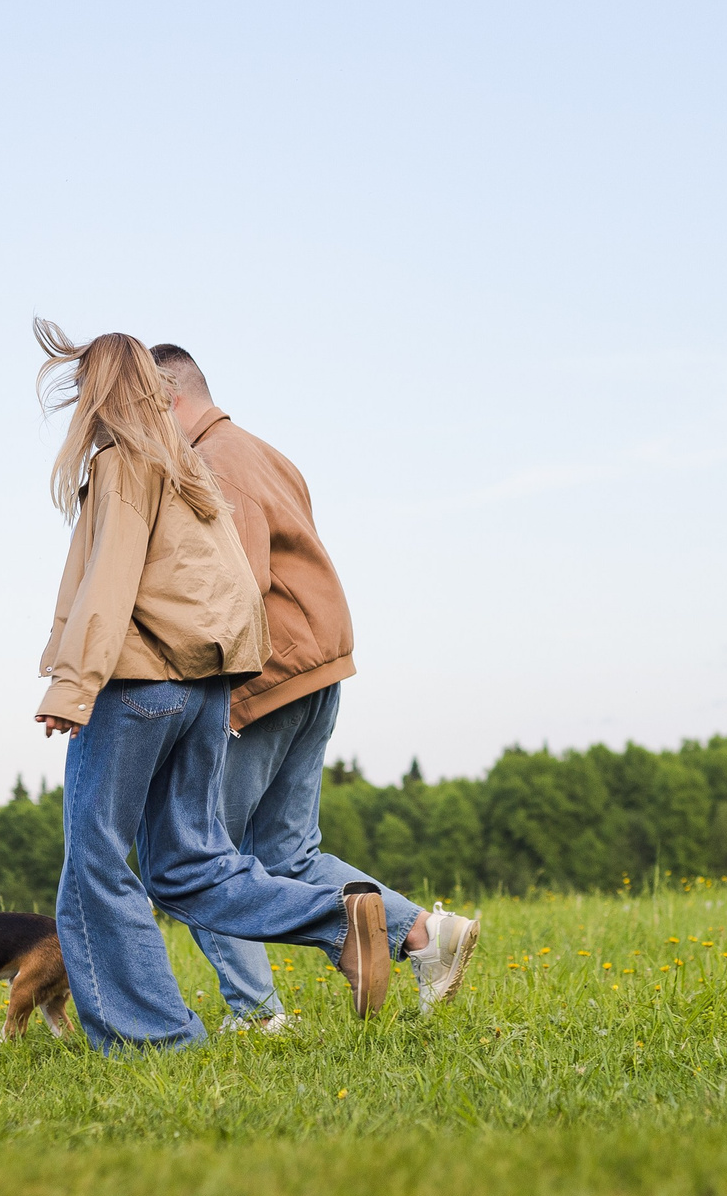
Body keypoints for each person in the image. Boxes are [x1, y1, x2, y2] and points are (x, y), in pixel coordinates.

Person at [31, 321, 390, 1051]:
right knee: (190, 866)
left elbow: (106, 587)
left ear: (100, 393)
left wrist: (73, 686)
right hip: (202, 690)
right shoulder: (192, 469)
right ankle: (336, 918)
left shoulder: (123, 466)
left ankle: (155, 1038)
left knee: (96, 860)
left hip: (135, 687)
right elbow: (236, 591)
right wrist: (225, 684)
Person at [149, 343, 480, 1023]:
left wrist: (218, 696)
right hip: (316, 668)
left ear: (169, 399)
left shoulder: (212, 464)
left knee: (200, 858)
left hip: (262, 675)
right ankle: (424, 934)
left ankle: (257, 1012)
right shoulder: (264, 452)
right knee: (286, 853)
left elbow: (235, 588)